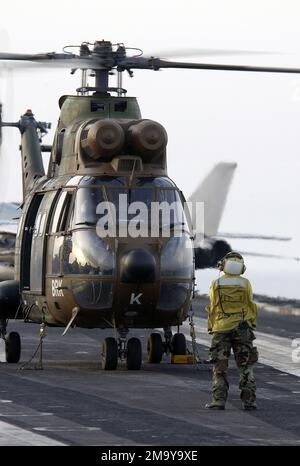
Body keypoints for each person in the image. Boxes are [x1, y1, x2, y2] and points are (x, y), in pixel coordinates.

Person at [205, 251, 258, 411]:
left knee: (219, 367)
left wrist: (211, 327)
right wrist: (251, 324)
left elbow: (213, 307)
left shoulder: (216, 283)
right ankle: (249, 401)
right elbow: (250, 305)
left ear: (223, 265)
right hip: (242, 328)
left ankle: (219, 401)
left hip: (221, 329)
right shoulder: (245, 283)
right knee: (246, 365)